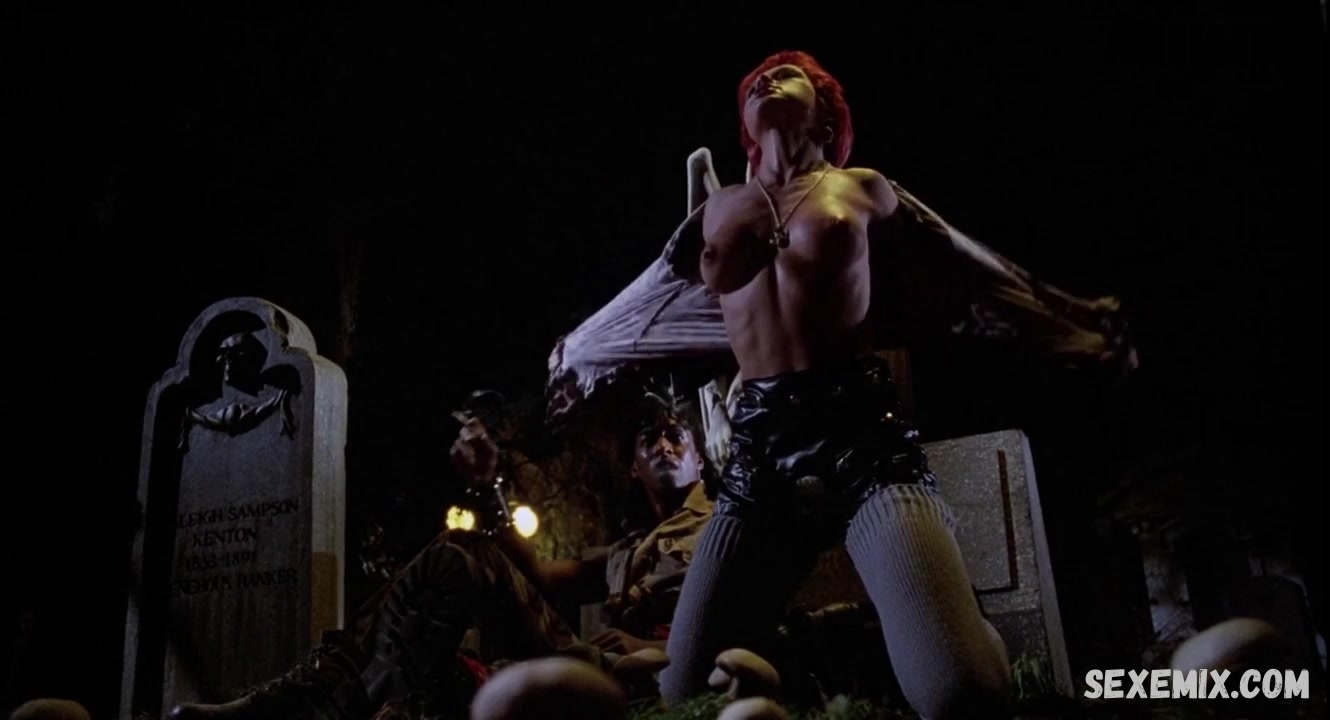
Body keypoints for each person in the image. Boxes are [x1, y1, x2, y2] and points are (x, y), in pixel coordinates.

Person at [549, 50, 1136, 720]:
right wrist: (579, 355)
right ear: (745, 126)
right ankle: (798, 663)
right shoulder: (718, 210)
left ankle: (974, 639)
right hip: (759, 460)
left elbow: (957, 263)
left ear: (826, 116)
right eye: (755, 81)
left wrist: (1068, 324)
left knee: (960, 694)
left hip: (863, 444)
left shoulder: (862, 188)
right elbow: (659, 291)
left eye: (788, 74)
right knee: (685, 691)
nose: (767, 79)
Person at [169, 387, 715, 720]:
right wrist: (487, 485)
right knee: (438, 613)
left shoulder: (721, 526)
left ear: (702, 459)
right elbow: (541, 578)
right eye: (649, 441)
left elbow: (747, 624)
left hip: (654, 673)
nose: (663, 446)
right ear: (633, 468)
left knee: (459, 558)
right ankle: (307, 695)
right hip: (591, 661)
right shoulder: (625, 550)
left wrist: (654, 645)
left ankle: (302, 703)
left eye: (675, 437)